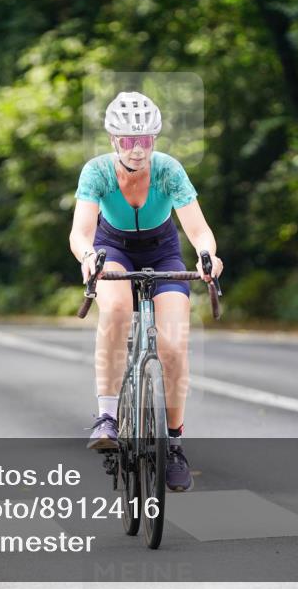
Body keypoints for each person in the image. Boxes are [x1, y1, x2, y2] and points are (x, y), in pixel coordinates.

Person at [68, 91, 223, 492]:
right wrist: (88, 256)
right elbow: (80, 232)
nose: (137, 149)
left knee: (173, 345)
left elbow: (199, 230)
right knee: (117, 310)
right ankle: (107, 416)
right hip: (112, 250)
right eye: (128, 140)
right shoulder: (97, 172)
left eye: (145, 140)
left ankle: (173, 443)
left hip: (163, 252)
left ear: (154, 139)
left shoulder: (169, 171)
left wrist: (207, 256)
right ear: (113, 140)